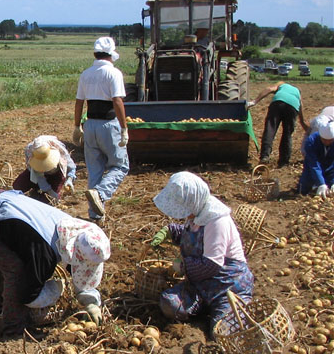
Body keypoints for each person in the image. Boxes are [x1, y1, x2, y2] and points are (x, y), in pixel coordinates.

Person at [0, 189, 111, 338]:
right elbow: (27, 295)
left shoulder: (70, 228)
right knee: (15, 269)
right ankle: (13, 330)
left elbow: (78, 265)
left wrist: (90, 300)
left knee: (0, 260)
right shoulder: (44, 254)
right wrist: (53, 291)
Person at [152, 172, 254, 333]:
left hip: (226, 286)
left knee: (224, 331)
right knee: (169, 303)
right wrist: (170, 231)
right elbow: (192, 238)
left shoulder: (217, 221)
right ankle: (204, 308)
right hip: (200, 285)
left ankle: (230, 308)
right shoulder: (197, 214)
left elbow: (211, 265)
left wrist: (183, 266)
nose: (184, 215)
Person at [73, 36, 129, 221]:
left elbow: (79, 101)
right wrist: (124, 128)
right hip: (108, 124)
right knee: (120, 166)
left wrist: (76, 126)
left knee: (95, 170)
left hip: (90, 125)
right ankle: (101, 193)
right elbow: (117, 101)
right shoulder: (114, 73)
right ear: (111, 55)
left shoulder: (86, 74)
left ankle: (95, 216)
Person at [248, 81, 307, 167]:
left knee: (270, 129)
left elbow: (269, 89)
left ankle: (264, 156)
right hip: (293, 107)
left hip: (277, 102)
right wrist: (308, 129)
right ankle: (283, 162)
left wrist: (255, 101)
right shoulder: (298, 94)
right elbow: (301, 116)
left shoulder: (282, 84)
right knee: (287, 134)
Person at [12, 135, 76, 204]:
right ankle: (36, 188)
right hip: (36, 174)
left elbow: (71, 167)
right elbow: (39, 176)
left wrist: (70, 179)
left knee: (47, 201)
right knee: (17, 186)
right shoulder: (30, 151)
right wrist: (48, 189)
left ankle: (40, 193)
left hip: (56, 174)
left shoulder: (59, 149)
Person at [298, 120, 334, 197]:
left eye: (330, 141)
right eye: (324, 140)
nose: (327, 142)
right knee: (303, 190)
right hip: (312, 169)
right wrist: (321, 183)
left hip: (331, 168)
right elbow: (314, 163)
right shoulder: (311, 141)